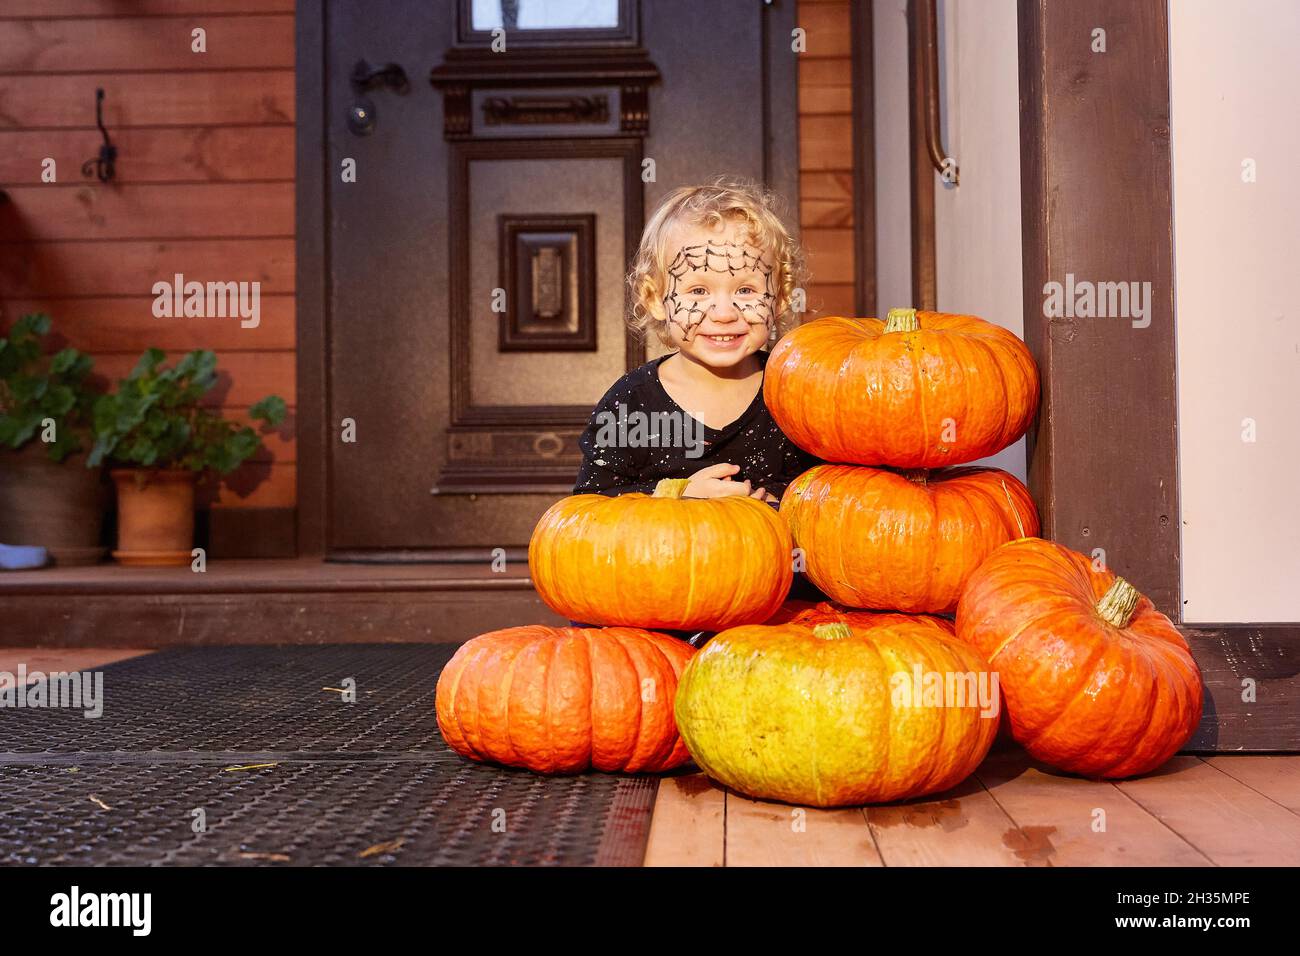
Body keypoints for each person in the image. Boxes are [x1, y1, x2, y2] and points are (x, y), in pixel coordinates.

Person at [570, 178, 822, 645]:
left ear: (780, 296)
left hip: (771, 609)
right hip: (659, 612)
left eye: (746, 289)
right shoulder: (633, 404)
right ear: (654, 299)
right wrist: (677, 493)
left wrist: (774, 509)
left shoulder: (795, 395)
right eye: (698, 291)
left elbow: (829, 493)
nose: (723, 312)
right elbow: (591, 512)